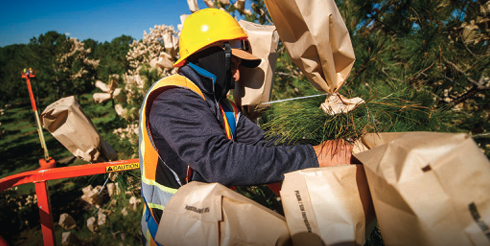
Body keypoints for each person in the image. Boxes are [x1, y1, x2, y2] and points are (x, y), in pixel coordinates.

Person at [139, 8, 353, 245]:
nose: (238, 77)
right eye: (233, 65)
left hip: (208, 226)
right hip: (172, 233)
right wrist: (312, 156)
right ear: (213, 56)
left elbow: (265, 144)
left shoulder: (223, 107)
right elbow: (219, 161)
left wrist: (323, 148)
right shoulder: (172, 98)